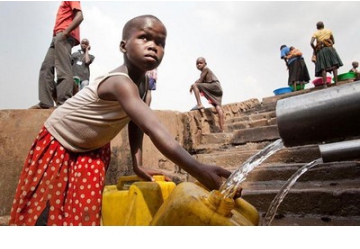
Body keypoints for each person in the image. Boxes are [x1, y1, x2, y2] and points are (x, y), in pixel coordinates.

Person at [9, 15, 233, 226]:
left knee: (84, 214)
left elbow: (136, 123)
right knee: (44, 215)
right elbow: (154, 128)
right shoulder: (120, 82)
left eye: (160, 42)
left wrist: (138, 163)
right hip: (58, 144)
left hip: (92, 150)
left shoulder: (143, 84)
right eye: (144, 37)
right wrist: (200, 170)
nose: (153, 45)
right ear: (123, 46)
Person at [30, 1, 84, 109]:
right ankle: (45, 102)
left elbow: (80, 16)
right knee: (46, 67)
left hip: (64, 35)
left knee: (62, 69)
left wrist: (65, 33)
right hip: (57, 37)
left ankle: (64, 103)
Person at [189, 57, 225, 132]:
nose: (198, 65)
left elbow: (199, 81)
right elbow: (200, 81)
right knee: (218, 107)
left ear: (205, 63)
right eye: (197, 64)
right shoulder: (204, 71)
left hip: (214, 86)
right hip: (217, 88)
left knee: (195, 85)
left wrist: (192, 86)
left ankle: (199, 104)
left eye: (200, 63)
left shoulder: (206, 69)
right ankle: (222, 129)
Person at [310, 21, 343, 88]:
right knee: (334, 66)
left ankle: (325, 84)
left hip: (321, 51)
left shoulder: (315, 33)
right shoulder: (329, 31)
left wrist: (315, 49)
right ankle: (336, 82)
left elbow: (311, 43)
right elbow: (333, 41)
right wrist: (328, 43)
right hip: (329, 49)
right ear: (323, 26)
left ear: (317, 27)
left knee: (323, 68)